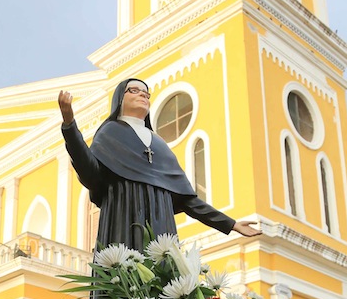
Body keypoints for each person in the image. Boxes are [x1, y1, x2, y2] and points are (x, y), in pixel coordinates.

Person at [58, 79, 260, 256]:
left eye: (146, 93)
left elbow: (188, 200)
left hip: (161, 223)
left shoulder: (159, 144)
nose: (143, 95)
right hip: (124, 218)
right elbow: (90, 173)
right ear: (120, 98)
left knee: (165, 283)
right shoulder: (109, 133)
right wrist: (69, 125)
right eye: (134, 90)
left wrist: (230, 224)